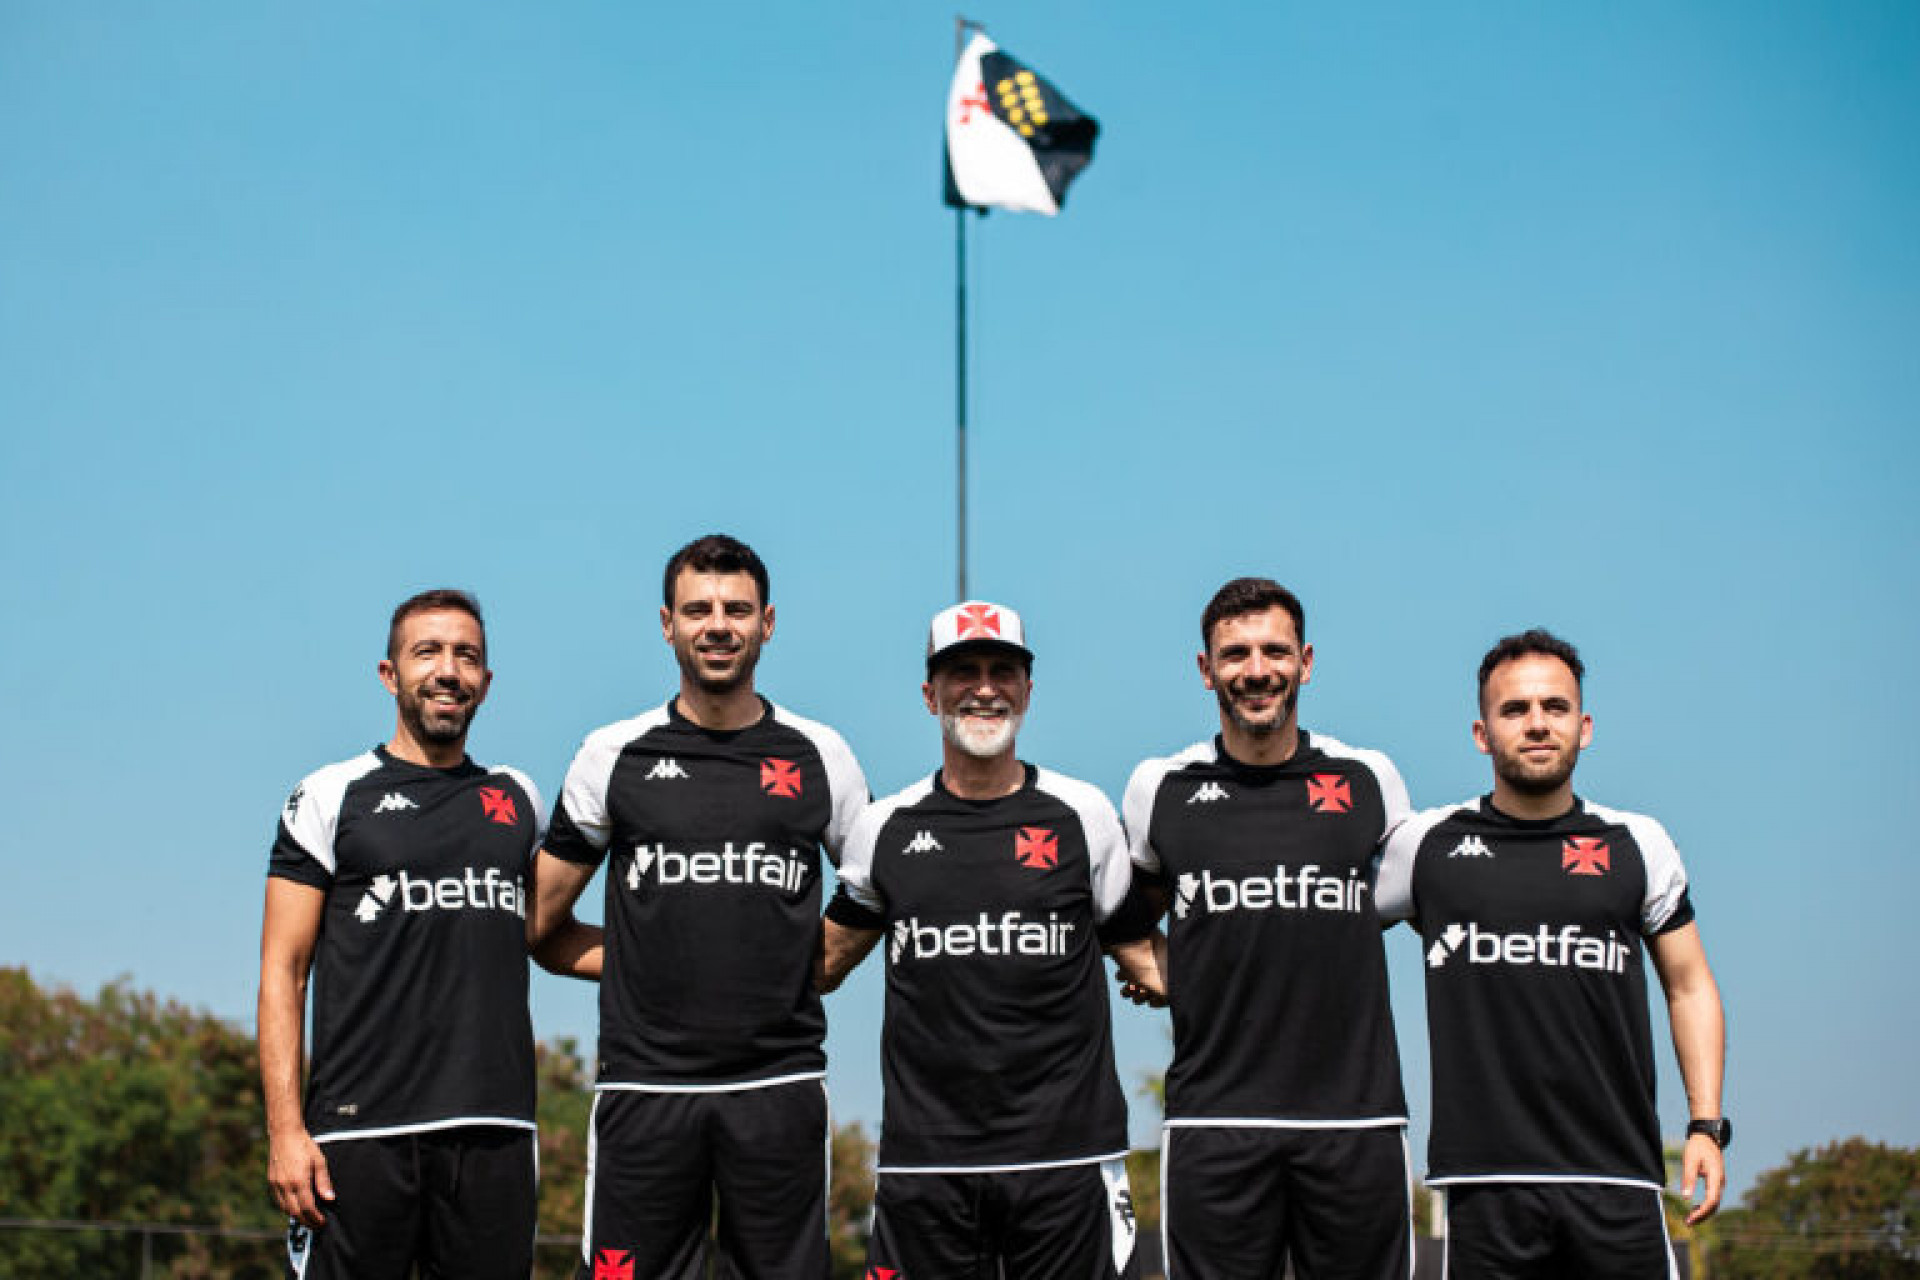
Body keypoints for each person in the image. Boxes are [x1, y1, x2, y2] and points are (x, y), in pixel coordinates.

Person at [527, 534, 868, 1280]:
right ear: (667, 623)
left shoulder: (821, 753)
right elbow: (541, 928)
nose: (718, 624)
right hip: (645, 1089)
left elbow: (874, 886)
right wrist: (648, 963)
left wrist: (815, 964)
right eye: (699, 609)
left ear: (767, 623)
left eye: (737, 610)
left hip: (776, 1087)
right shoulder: (612, 754)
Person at [818, 600, 1158, 1280]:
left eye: (1003, 670)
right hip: (926, 1164)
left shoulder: (1082, 815)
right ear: (928, 694)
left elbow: (1144, 955)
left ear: (1028, 690)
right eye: (961, 671)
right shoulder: (884, 827)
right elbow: (821, 964)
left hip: (1065, 1161)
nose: (983, 688)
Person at [1375, 628, 1729, 1279]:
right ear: (1482, 733)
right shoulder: (1427, 847)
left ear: (1584, 725)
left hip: (1618, 1180)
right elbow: (1316, 920)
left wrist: (1706, 1125)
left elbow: (1690, 986)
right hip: (1484, 1187)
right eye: (1515, 710)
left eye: (1555, 707)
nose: (1537, 724)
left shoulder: (1638, 844)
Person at [1120, 576, 1417, 1278]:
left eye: (1274, 652)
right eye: (1235, 655)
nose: (1257, 672)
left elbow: (1419, 898)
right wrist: (1170, 974)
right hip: (1215, 1123)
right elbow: (1121, 919)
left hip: (1357, 1121)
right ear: (1206, 670)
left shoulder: (1369, 779)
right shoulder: (1161, 788)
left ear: (1305, 662)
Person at [257, 589, 545, 1280]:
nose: (448, 670)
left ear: (486, 682)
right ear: (390, 674)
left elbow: (545, 933)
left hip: (494, 1132)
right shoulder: (330, 795)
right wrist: (286, 1132)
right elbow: (282, 971)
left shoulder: (520, 800)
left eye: (466, 656)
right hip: (358, 1135)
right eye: (428, 652)